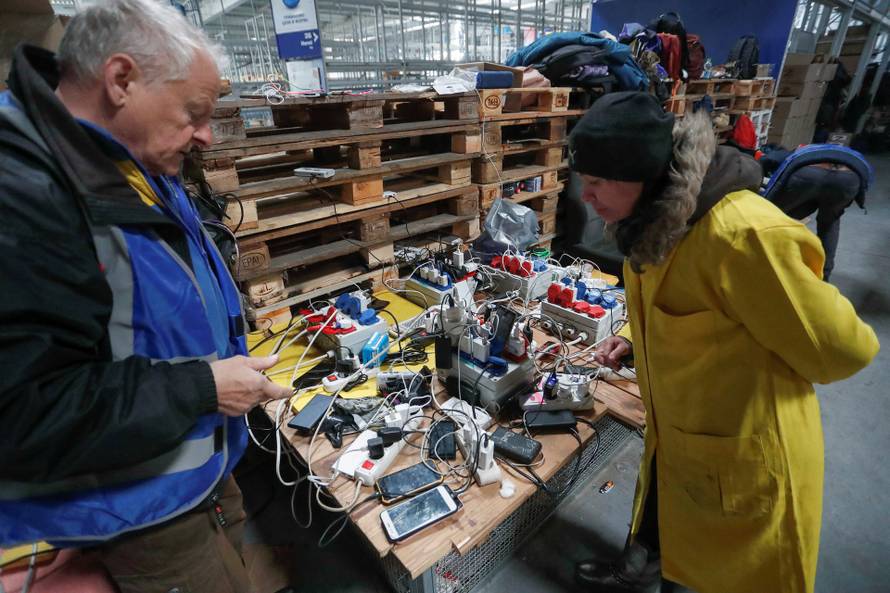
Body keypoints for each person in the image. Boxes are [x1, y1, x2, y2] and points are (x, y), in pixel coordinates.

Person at [0, 0, 292, 591]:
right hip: (140, 507)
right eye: (194, 112)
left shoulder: (115, 154)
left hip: (191, 462)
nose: (207, 134)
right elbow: (25, 410)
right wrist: (204, 387)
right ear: (121, 80)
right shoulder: (26, 192)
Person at [567, 92, 879, 593]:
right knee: (674, 550)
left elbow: (845, 350)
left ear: (642, 174)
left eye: (598, 181)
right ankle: (646, 562)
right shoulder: (647, 225)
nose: (586, 195)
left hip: (743, 460)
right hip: (683, 445)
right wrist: (634, 338)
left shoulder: (742, 237)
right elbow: (679, 304)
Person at [767, 162, 864, 281]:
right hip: (849, 177)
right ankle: (824, 276)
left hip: (809, 173)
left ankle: (764, 260)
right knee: (829, 224)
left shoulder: (784, 155)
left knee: (771, 214)